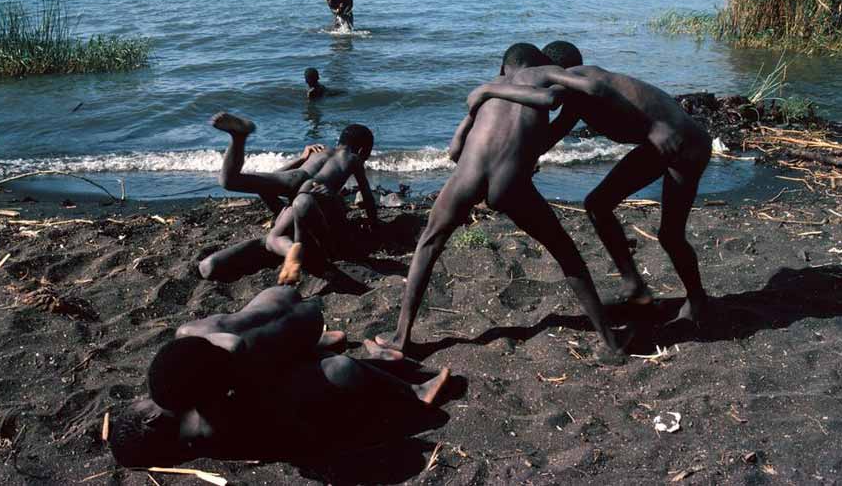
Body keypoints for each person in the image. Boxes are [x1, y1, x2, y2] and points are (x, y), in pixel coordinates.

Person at [374, 44, 626, 358]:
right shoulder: (541, 75)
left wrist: (488, 94)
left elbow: (454, 151)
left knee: (428, 244)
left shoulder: (486, 93)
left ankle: (401, 337)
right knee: (566, 253)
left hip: (467, 176)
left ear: (503, 66)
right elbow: (553, 100)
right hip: (510, 184)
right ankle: (610, 341)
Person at [465, 43, 712, 327]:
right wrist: (519, 159)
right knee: (597, 205)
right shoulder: (577, 99)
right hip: (661, 146)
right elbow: (552, 134)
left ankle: (697, 301)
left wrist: (487, 91)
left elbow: (548, 97)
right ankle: (634, 286)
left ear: (554, 68)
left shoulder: (584, 79)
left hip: (684, 144)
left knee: (670, 235)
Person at [108, 286, 450, 468]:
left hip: (296, 333)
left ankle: (415, 390)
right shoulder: (189, 333)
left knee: (332, 369)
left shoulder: (214, 408)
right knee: (278, 354)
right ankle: (323, 343)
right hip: (283, 297)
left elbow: (257, 398)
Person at [203, 114, 377, 284]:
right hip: (312, 190)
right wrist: (374, 224)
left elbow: (274, 177)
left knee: (230, 181)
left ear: (339, 142)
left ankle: (238, 137)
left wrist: (301, 159)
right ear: (362, 151)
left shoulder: (320, 151)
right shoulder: (354, 159)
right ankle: (292, 251)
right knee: (274, 238)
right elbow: (367, 196)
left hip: (296, 175)